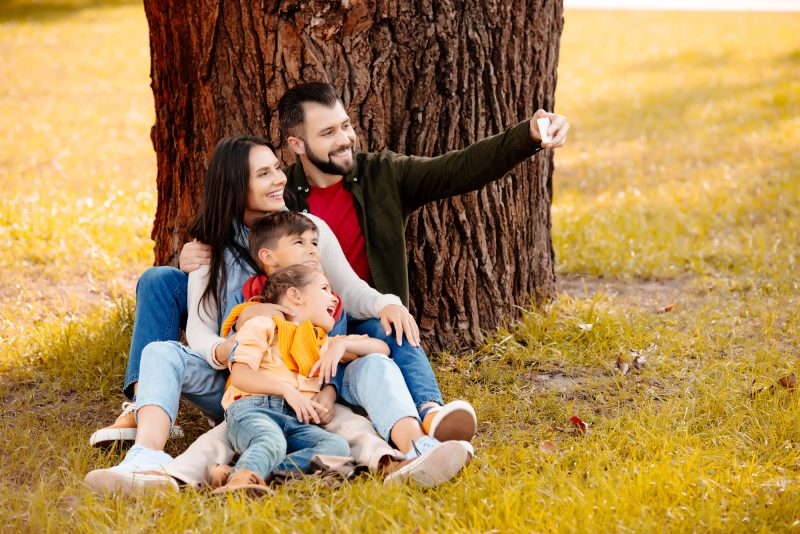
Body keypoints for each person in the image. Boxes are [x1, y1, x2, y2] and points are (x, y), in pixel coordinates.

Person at [185, 81, 569, 435]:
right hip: (307, 329)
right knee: (163, 283)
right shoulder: (282, 200)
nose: (345, 139)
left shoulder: (383, 175)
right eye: (328, 133)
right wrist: (192, 254)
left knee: (394, 324)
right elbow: (244, 250)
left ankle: (430, 411)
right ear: (297, 145)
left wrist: (527, 136)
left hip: (363, 313)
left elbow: (459, 170)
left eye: (345, 126)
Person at [85, 136, 419, 493]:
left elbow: (349, 294)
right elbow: (199, 331)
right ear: (235, 187)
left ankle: (417, 439)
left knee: (356, 404)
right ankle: (146, 453)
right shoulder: (212, 248)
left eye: (277, 168)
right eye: (264, 173)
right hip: (241, 384)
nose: (279, 179)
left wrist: (384, 305)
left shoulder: (305, 232)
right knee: (161, 350)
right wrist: (238, 350)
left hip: (304, 389)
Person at [216, 265, 471, 493]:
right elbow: (240, 375)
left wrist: (343, 345)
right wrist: (286, 390)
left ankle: (250, 473)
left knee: (336, 447)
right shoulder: (263, 324)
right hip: (251, 409)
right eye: (325, 289)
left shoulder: (321, 342)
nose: (333, 298)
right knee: (271, 441)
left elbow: (380, 349)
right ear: (295, 295)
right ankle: (240, 484)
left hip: (294, 419)